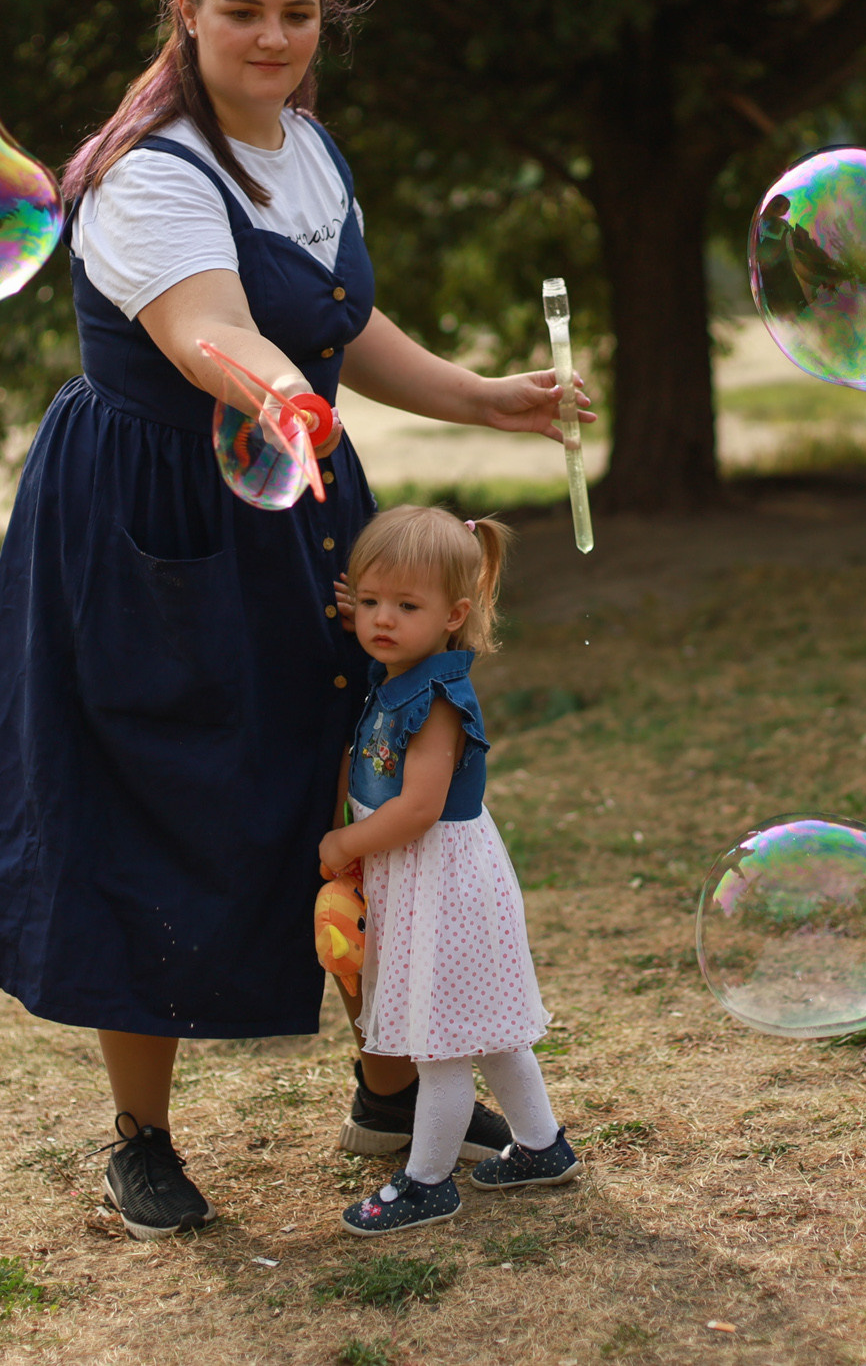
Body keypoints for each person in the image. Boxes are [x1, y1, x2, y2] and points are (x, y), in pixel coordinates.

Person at [0, 0, 592, 1240]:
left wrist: (481, 399)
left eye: (297, 13)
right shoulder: (148, 172)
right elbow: (207, 332)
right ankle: (143, 1139)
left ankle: (390, 1086)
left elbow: (335, 319)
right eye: (243, 12)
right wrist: (290, 400)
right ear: (187, 12)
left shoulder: (307, 150)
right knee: (148, 795)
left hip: (290, 489)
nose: (273, 36)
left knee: (342, 765)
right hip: (149, 522)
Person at [322, 506, 581, 1235]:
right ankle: (540, 1144)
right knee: (491, 1029)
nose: (381, 620)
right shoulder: (400, 669)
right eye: (370, 602)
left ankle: (428, 1180)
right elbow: (384, 634)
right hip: (424, 878)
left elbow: (419, 808)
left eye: (406, 607)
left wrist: (346, 844)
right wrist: (374, 608)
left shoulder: (437, 699)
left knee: (438, 1038)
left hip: (443, 877)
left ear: (454, 616)